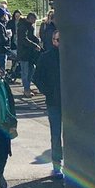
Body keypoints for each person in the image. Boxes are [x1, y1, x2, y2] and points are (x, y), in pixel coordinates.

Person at [33, 29, 63, 180]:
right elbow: (37, 78)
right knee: (56, 135)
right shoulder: (45, 57)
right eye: (58, 40)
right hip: (54, 103)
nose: (60, 43)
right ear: (53, 41)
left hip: (72, 103)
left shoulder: (73, 56)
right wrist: (48, 92)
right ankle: (57, 166)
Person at [16, 11, 42, 98]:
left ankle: (27, 87)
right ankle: (26, 89)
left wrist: (36, 40)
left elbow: (29, 37)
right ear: (30, 18)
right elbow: (24, 39)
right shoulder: (23, 26)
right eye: (34, 19)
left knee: (31, 70)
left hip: (29, 52)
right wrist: (34, 45)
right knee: (25, 72)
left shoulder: (28, 26)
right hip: (24, 53)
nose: (35, 21)